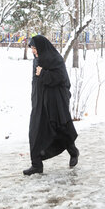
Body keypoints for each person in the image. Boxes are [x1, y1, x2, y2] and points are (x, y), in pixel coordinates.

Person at [24, 35, 79, 176]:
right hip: (39, 103)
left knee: (60, 130)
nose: (33, 51)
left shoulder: (55, 59)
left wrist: (43, 74)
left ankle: (73, 151)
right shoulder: (37, 60)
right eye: (32, 48)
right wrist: (34, 100)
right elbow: (35, 83)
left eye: (35, 48)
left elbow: (62, 79)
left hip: (55, 103)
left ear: (42, 47)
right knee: (35, 132)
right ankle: (36, 165)